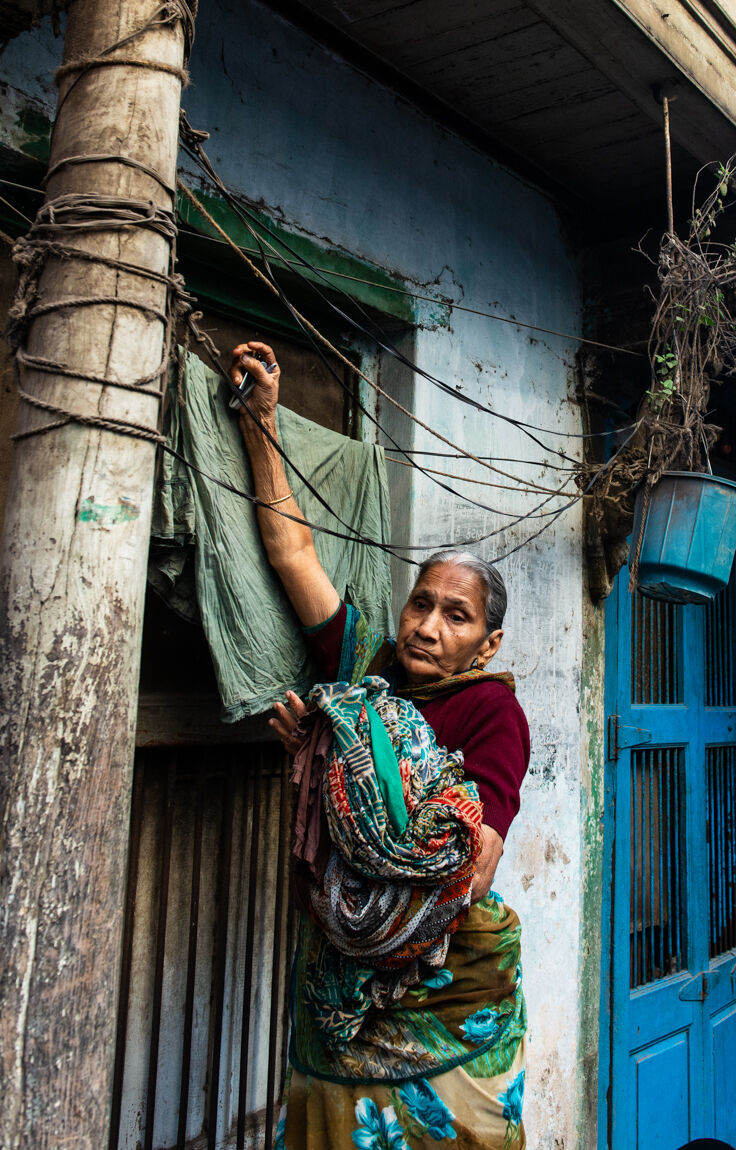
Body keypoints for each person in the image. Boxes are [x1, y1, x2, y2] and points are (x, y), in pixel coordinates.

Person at [232, 342, 531, 1150]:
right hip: (340, 982)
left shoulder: (493, 717)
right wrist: (261, 422)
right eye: (421, 603)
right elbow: (293, 554)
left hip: (444, 993)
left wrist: (353, 778)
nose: (428, 626)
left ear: (488, 644)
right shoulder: (367, 677)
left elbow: (473, 867)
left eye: (456, 616)